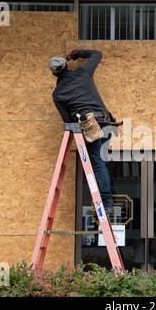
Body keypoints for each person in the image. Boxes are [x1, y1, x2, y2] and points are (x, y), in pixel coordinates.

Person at [48, 49, 114, 211]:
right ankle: (108, 198)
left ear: (54, 74)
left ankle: (106, 202)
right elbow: (97, 54)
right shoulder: (82, 73)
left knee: (98, 163)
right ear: (67, 65)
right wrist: (78, 53)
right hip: (106, 121)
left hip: (90, 125)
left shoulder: (58, 94)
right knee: (102, 162)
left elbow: (68, 120)